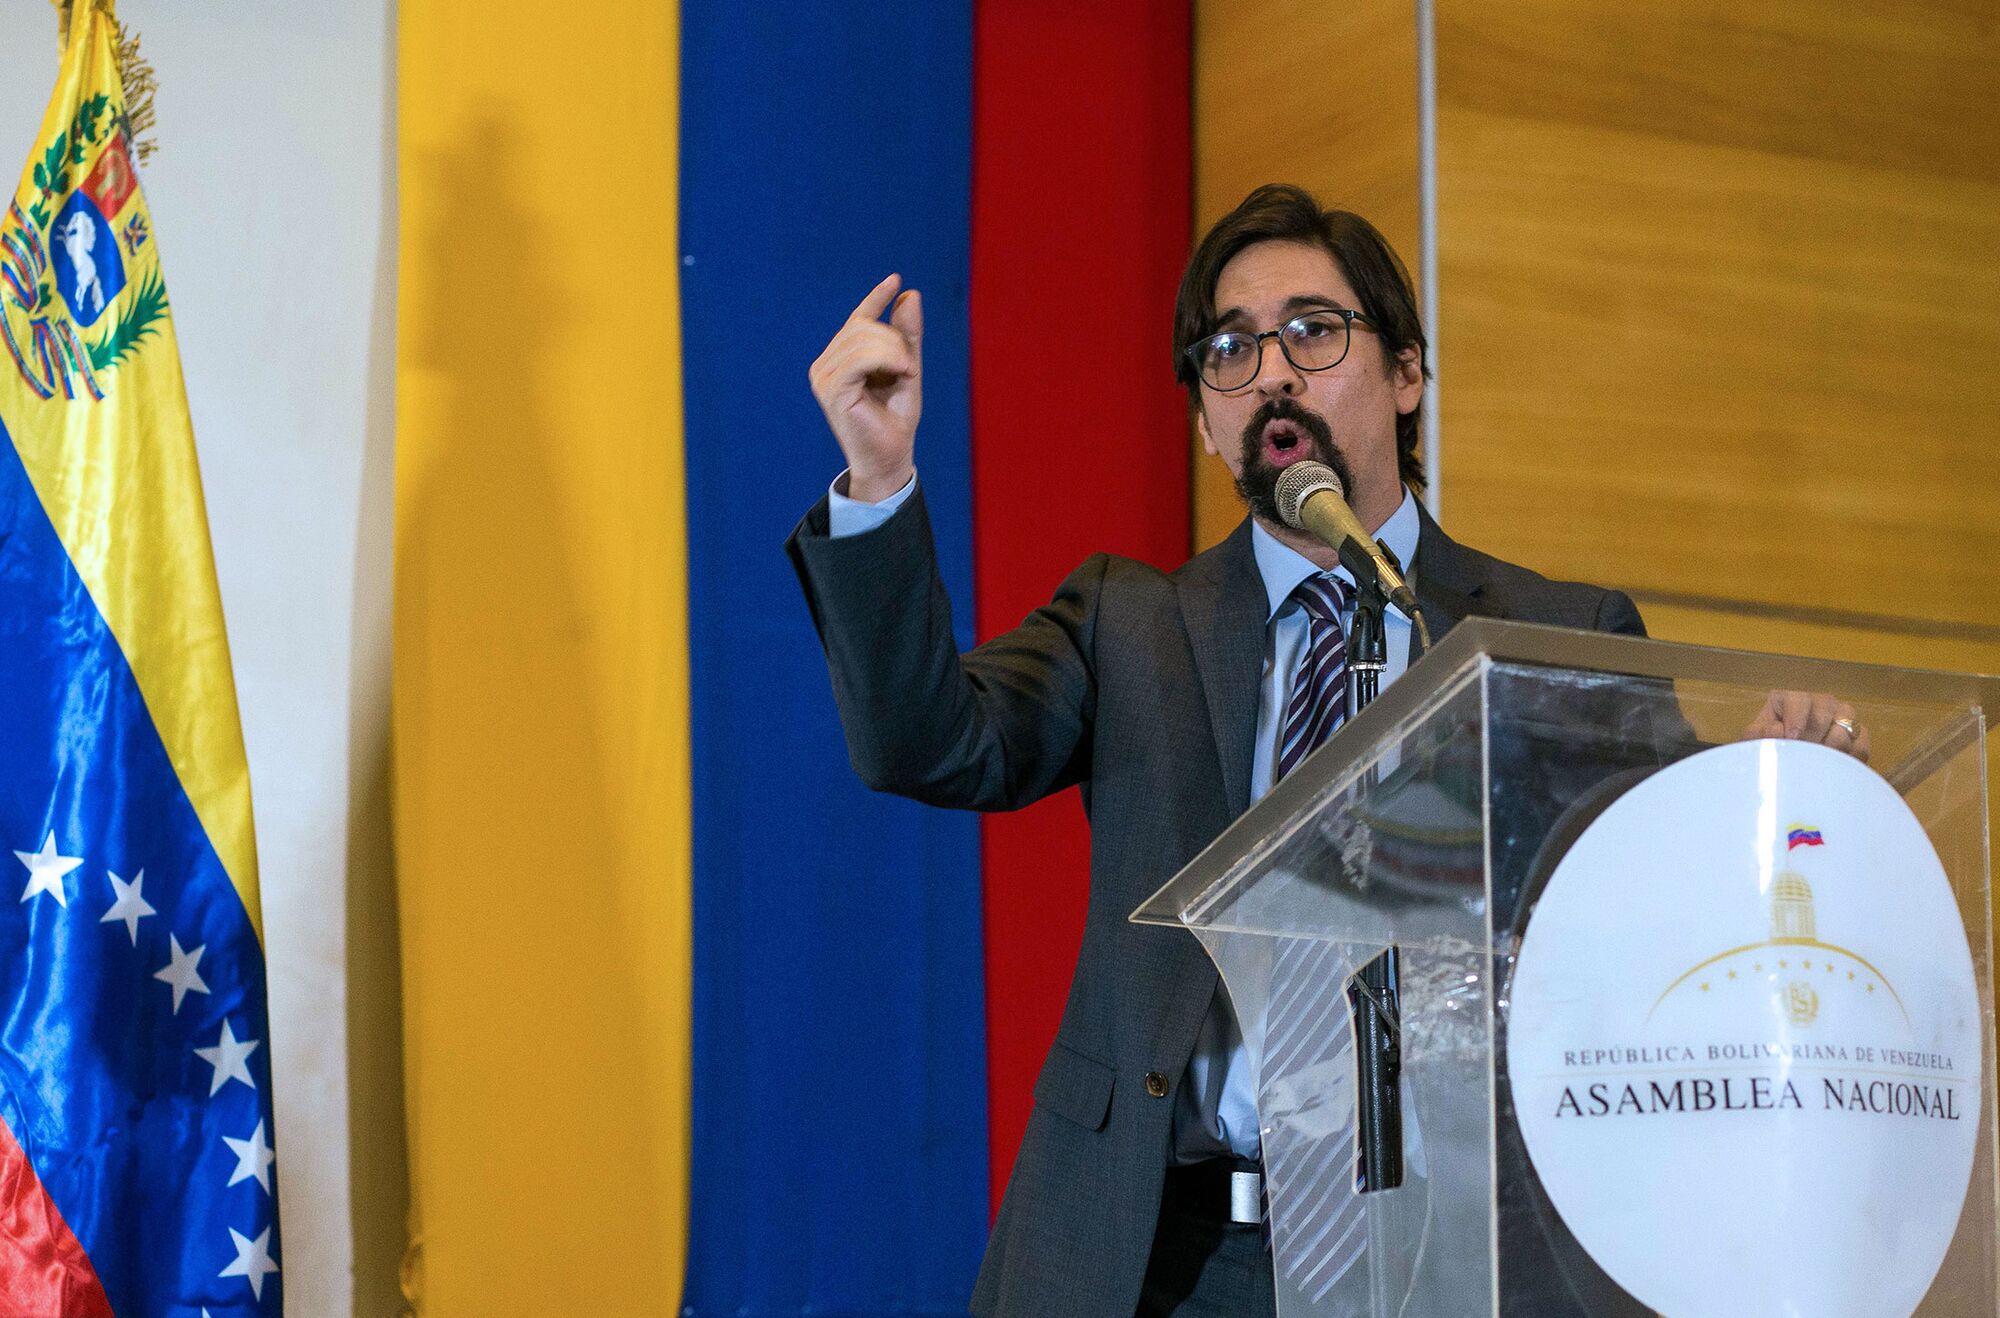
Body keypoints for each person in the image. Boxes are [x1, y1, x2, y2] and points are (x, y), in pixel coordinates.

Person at [789, 184, 1865, 1318]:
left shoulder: (1547, 637)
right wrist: (874, 481)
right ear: (1205, 420)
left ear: (1404, 373)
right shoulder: (1129, 621)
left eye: (1311, 330)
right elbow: (926, 742)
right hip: (1163, 1257)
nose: (1271, 373)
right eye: (1231, 350)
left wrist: (1761, 797)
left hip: (1446, 1261)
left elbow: (1659, 911)